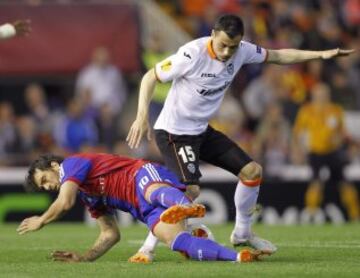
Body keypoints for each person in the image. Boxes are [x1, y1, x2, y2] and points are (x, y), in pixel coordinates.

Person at [126, 14, 353, 260]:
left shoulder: (242, 51)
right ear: (213, 34)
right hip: (174, 132)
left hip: (202, 130)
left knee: (252, 172)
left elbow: (278, 55)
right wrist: (141, 117)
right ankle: (146, 249)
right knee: (189, 191)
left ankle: (242, 233)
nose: (226, 52)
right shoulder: (191, 54)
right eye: (222, 45)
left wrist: (319, 55)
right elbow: (150, 76)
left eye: (232, 47)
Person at [16, 153, 269, 263]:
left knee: (152, 191)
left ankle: (186, 207)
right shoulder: (89, 197)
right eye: (43, 187)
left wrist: (41, 220)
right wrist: (84, 258)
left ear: (53, 165)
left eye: (44, 180)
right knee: (178, 243)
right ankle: (237, 258)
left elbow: (64, 202)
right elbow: (110, 235)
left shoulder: (72, 165)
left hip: (140, 175)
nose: (48, 187)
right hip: (145, 211)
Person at [292, 83, 360, 221]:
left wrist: (342, 140)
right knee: (316, 183)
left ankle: (355, 215)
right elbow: (297, 133)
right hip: (316, 152)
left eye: (324, 94)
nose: (322, 97)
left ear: (328, 95)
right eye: (319, 94)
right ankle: (311, 215)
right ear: (314, 95)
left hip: (333, 151)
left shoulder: (335, 110)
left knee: (344, 183)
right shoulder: (307, 110)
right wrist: (298, 150)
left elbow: (342, 132)